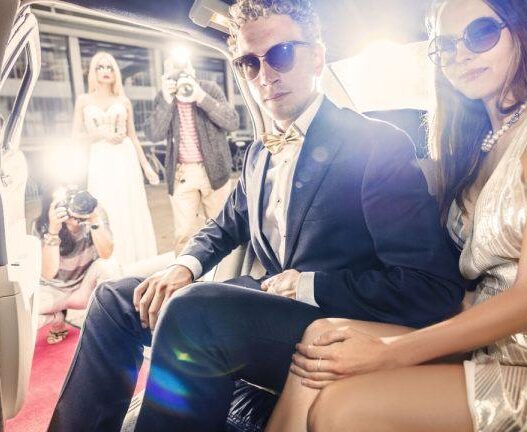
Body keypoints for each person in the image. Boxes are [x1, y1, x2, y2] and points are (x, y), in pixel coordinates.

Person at [48, 1, 470, 430]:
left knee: (196, 312)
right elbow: (224, 224)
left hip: (332, 320)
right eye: (250, 63)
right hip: (261, 307)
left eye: (281, 54)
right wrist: (183, 266)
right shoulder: (256, 154)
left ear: (317, 57)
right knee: (115, 299)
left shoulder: (376, 145)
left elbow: (431, 287)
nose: (265, 75)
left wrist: (307, 284)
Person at [266, 1, 527, 431]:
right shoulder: (477, 148)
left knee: (342, 408)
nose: (461, 54)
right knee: (324, 338)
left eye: (481, 33)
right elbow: (471, 288)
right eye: (446, 45)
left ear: (525, 30)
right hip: (492, 345)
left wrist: (390, 352)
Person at [145, 54, 240, 254]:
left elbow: (232, 122)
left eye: (184, 69)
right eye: (175, 71)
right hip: (182, 173)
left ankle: (224, 272)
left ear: (193, 71)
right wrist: (166, 100)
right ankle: (188, 271)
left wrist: (201, 98)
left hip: (215, 171)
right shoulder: (164, 96)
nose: (181, 75)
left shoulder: (208, 89)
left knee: (223, 230)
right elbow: (153, 134)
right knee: (185, 235)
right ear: (166, 75)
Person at [72, 51, 159, 268]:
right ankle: (109, 261)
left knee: (129, 207)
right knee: (105, 204)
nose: (105, 71)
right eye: (100, 67)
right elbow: (76, 136)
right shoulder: (83, 100)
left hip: (124, 157)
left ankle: (134, 262)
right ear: (93, 72)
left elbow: (133, 136)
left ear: (115, 72)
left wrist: (146, 166)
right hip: (100, 158)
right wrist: (101, 134)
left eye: (110, 67)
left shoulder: (123, 100)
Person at [34, 188, 120, 344]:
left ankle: (108, 325)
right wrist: (53, 231)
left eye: (75, 197)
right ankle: (57, 319)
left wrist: (95, 220)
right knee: (21, 315)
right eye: (66, 200)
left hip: (83, 289)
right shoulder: (42, 225)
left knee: (109, 265)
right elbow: (48, 273)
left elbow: (106, 254)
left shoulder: (94, 213)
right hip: (54, 292)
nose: (73, 205)